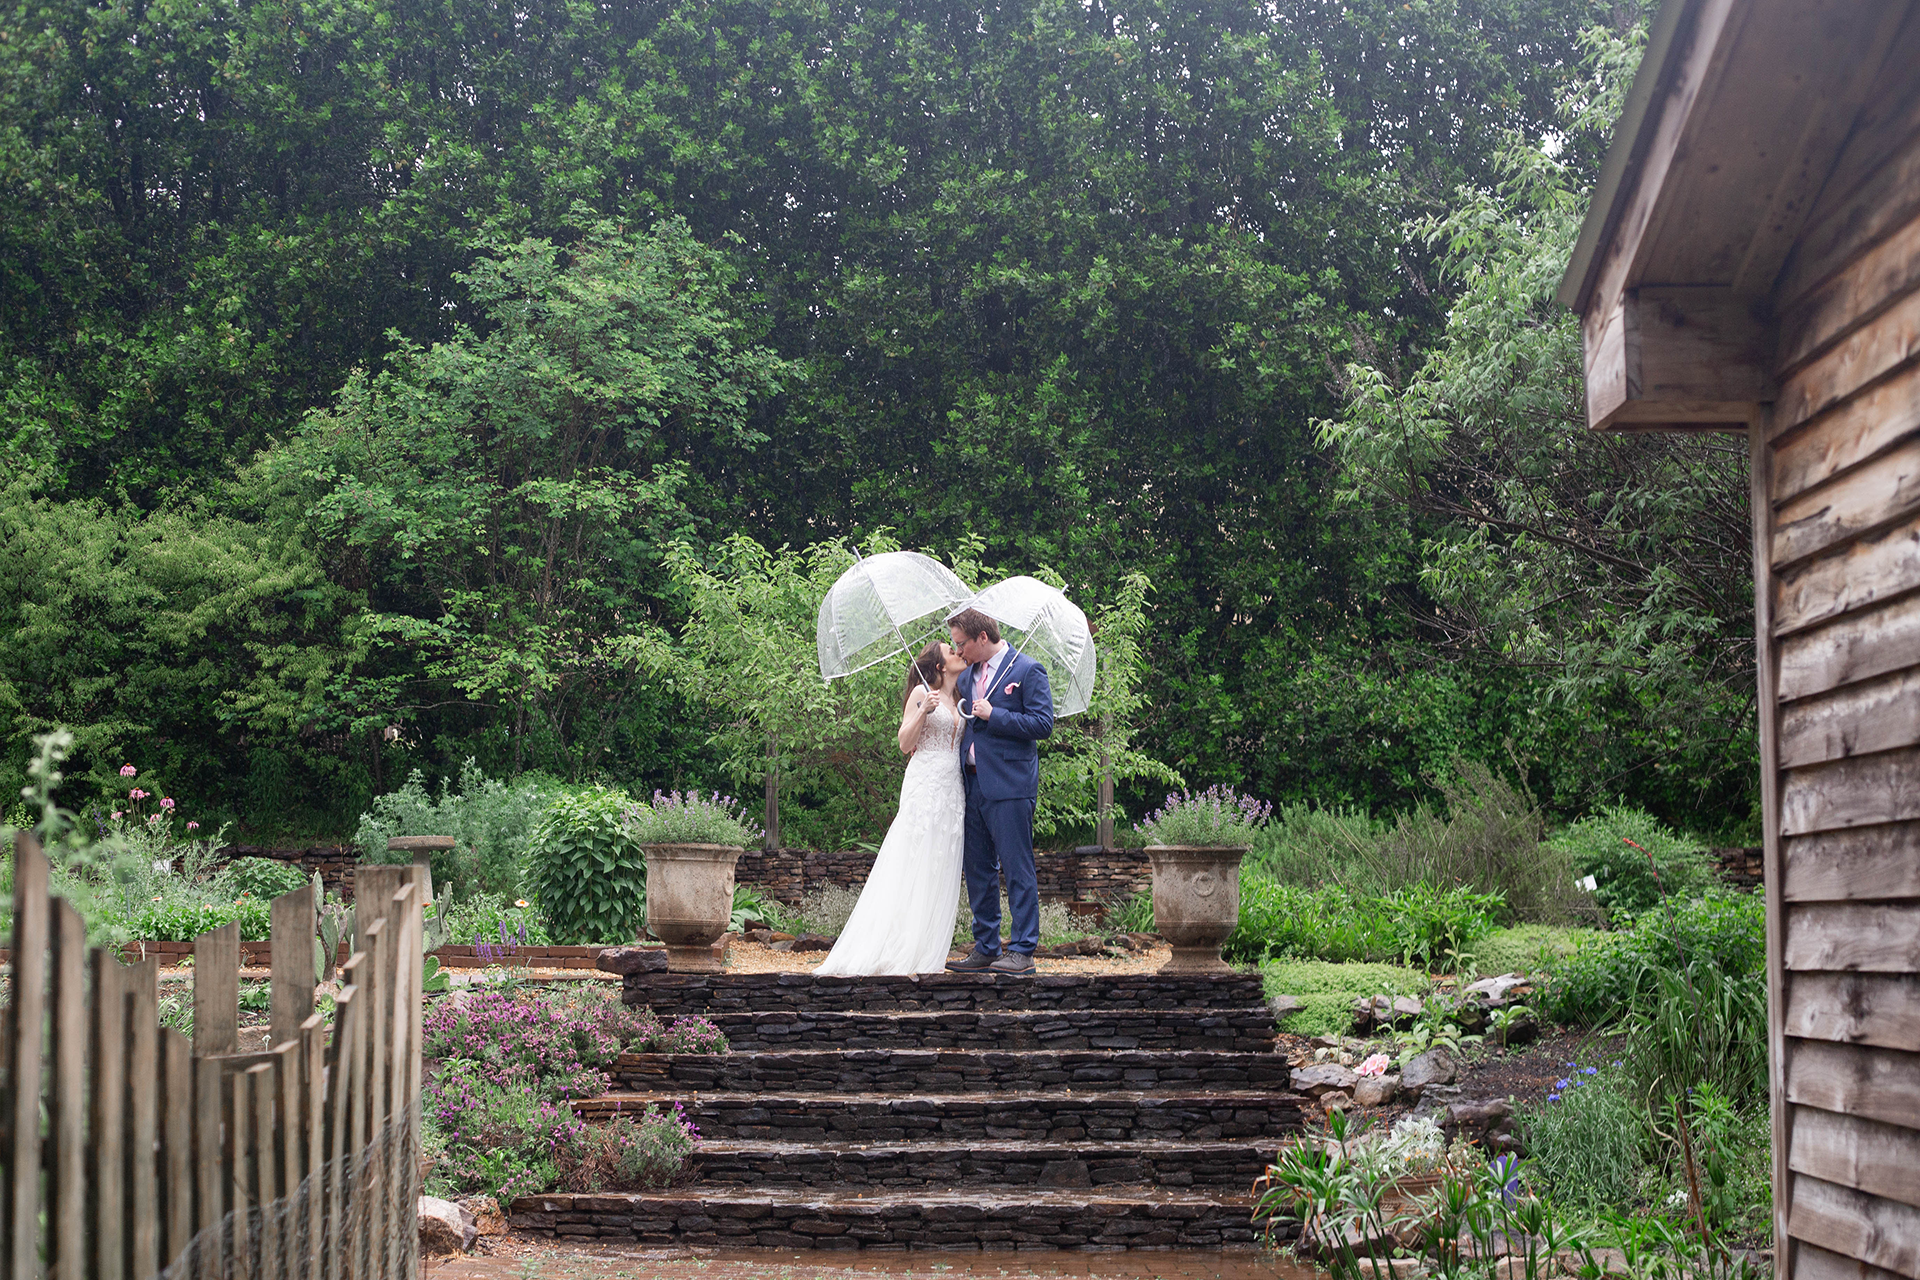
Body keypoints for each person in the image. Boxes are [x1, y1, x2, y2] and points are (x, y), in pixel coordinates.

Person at [813, 641, 972, 976]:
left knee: (941, 861)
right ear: (939, 665)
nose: (958, 651)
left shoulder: (961, 697)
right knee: (914, 857)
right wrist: (922, 712)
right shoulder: (921, 692)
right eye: (950, 650)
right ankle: (897, 946)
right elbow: (904, 743)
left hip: (952, 787)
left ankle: (928, 948)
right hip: (924, 782)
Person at [945, 608, 1054, 976]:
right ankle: (986, 946)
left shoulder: (1027, 671)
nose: (958, 653)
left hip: (1010, 786)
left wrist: (996, 715)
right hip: (972, 783)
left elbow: (1043, 724)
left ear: (981, 638)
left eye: (962, 645)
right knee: (977, 869)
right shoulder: (968, 676)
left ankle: (1022, 950)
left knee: (1017, 867)